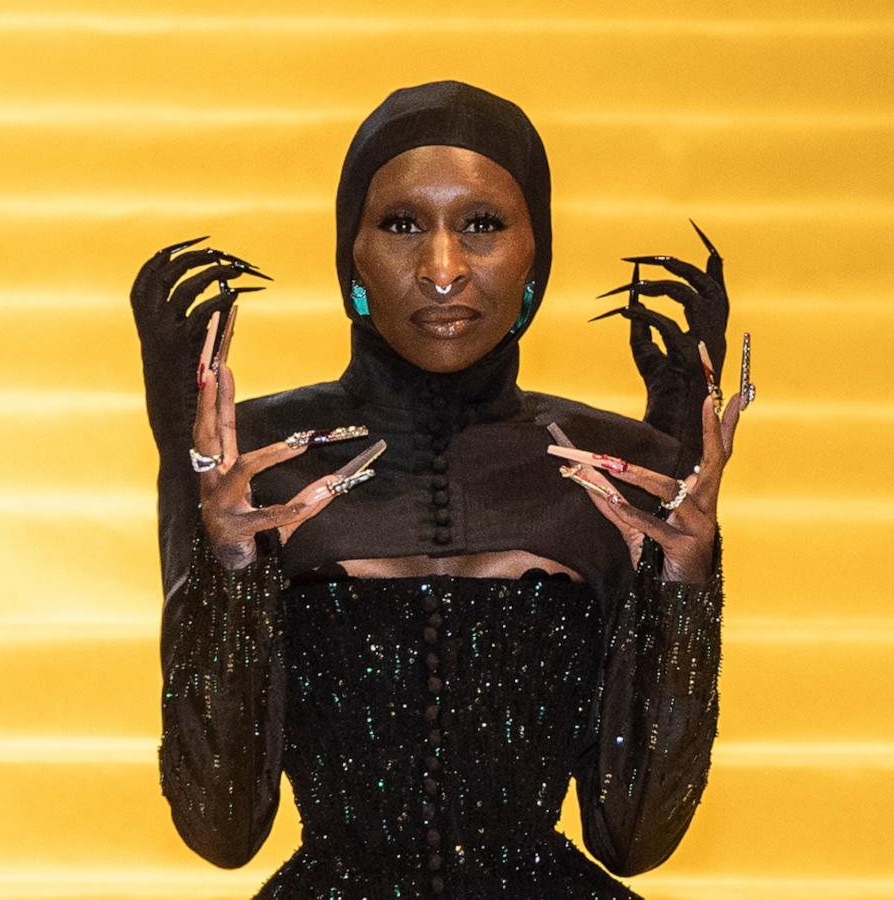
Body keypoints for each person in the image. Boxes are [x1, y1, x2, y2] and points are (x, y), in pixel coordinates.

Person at [129, 80, 750, 899]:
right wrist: (228, 569)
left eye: (483, 225)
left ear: (539, 252)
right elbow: (221, 827)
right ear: (351, 251)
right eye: (401, 224)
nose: (443, 270)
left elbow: (634, 839)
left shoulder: (620, 467)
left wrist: (684, 590)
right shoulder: (252, 459)